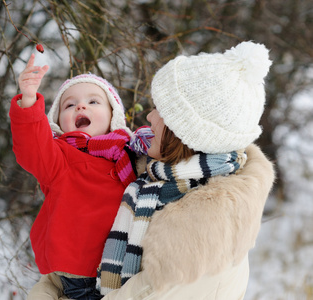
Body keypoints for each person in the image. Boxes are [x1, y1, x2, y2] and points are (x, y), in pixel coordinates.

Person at [26, 41, 275, 300]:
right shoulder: (151, 179)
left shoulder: (205, 228)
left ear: (183, 130)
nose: (149, 117)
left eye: (160, 110)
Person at [9, 54, 152, 300]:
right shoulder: (59, 158)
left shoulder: (130, 155)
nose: (80, 106)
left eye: (93, 101)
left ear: (113, 116)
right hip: (81, 276)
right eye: (69, 105)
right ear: (58, 122)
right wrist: (29, 100)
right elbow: (31, 146)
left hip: (127, 268)